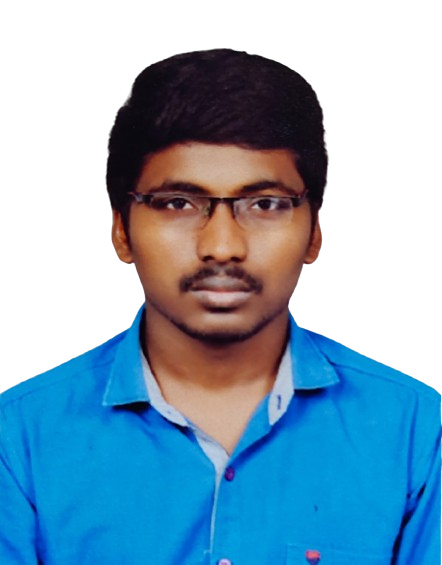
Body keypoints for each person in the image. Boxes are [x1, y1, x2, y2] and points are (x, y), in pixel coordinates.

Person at [0, 49, 440, 565]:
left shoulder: (416, 429)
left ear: (315, 233)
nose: (223, 246)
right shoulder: (17, 436)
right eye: (178, 203)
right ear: (121, 230)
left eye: (266, 204)